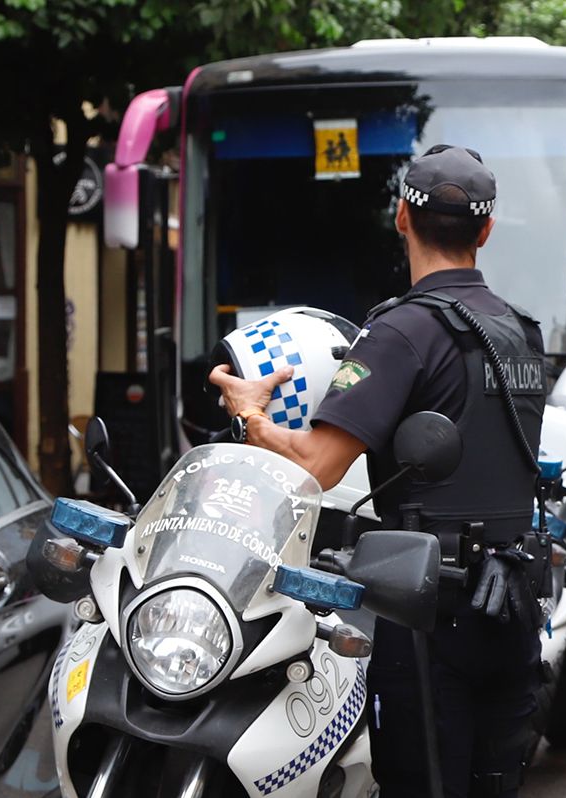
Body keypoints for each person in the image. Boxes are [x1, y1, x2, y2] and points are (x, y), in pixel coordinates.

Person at [209, 144, 547, 798]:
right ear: (486, 231)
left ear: (400, 217)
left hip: (431, 614)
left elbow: (319, 465)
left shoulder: (400, 331)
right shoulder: (520, 332)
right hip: (513, 601)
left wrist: (252, 415)